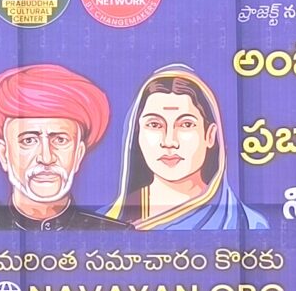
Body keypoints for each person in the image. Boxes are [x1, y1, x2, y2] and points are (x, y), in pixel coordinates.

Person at [105, 68, 267, 230]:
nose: (169, 141)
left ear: (210, 135)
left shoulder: (248, 223)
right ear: (137, 134)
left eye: (186, 125)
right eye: (154, 125)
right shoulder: (106, 224)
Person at [0, 64, 118, 231]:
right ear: (3, 154)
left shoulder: (116, 235)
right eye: (28, 140)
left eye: (60, 140)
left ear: (79, 154)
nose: (46, 157)